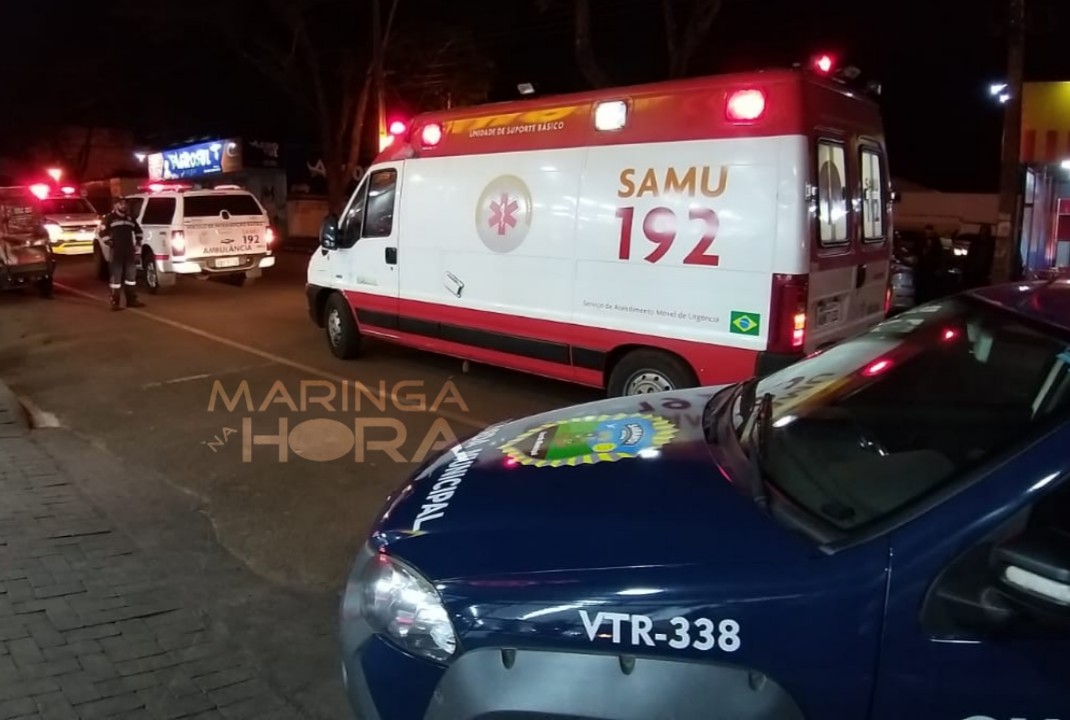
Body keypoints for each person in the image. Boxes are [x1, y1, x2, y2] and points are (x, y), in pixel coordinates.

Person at [99, 198, 145, 311]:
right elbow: (102, 232)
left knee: (131, 277)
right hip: (116, 252)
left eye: (125, 204)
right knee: (116, 277)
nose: (124, 206)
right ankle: (115, 302)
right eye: (121, 204)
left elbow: (138, 231)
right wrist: (110, 242)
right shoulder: (109, 218)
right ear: (116, 205)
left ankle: (131, 300)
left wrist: (138, 242)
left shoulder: (130, 218)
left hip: (129, 251)